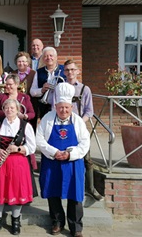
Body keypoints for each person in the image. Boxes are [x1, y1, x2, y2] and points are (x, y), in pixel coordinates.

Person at [37, 83, 90, 237]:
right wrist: (54, 152)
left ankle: (76, 227)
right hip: (52, 162)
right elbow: (39, 139)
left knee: (75, 194)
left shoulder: (78, 121)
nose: (64, 110)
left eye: (67, 108)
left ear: (71, 107)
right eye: (61, 107)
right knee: (52, 192)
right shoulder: (47, 118)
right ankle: (57, 222)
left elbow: (85, 142)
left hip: (73, 163)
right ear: (56, 106)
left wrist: (69, 154)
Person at [0, 99, 36, 235]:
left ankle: (15, 221)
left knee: (16, 191)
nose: (9, 110)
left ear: (17, 109)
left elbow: (32, 147)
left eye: (12, 108)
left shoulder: (25, 126)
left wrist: (18, 149)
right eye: (6, 108)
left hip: (18, 163)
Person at [61, 60, 103, 201]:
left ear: (78, 71)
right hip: (63, 128)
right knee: (63, 156)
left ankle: (90, 189)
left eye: (72, 69)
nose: (70, 72)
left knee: (86, 158)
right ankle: (66, 187)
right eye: (67, 70)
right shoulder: (60, 88)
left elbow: (89, 111)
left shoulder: (85, 89)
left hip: (79, 127)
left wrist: (79, 123)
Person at [30, 47, 66, 119]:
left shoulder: (64, 69)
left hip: (61, 105)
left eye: (51, 56)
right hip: (45, 107)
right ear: (43, 59)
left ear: (56, 57)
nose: (48, 58)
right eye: (46, 56)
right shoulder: (39, 72)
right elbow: (32, 91)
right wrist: (42, 90)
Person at [11, 51, 37, 131]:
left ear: (28, 62)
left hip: (31, 105)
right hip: (16, 105)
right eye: (19, 61)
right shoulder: (13, 74)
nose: (21, 63)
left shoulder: (34, 73)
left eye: (24, 61)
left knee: (30, 128)